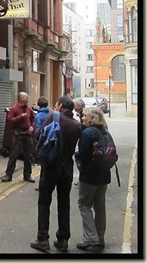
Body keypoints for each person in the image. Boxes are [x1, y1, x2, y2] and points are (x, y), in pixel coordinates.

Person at [30, 96, 82, 252]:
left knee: (44, 202)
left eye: (57, 104)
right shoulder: (77, 125)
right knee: (64, 203)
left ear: (60, 106)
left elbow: (39, 134)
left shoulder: (54, 117)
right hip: (67, 168)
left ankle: (42, 239)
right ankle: (63, 239)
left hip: (51, 166)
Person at [74, 106, 110, 251]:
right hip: (104, 174)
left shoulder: (88, 133)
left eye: (85, 116)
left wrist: (76, 155)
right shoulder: (105, 131)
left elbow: (82, 154)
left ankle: (90, 238)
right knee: (100, 206)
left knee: (84, 204)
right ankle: (100, 237)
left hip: (89, 175)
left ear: (92, 118)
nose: (82, 118)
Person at [1, 92, 36, 183]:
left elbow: (33, 119)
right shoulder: (14, 108)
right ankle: (8, 175)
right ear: (21, 98)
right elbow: (10, 120)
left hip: (27, 134)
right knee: (13, 155)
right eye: (26, 97)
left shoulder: (29, 109)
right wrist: (20, 117)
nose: (28, 99)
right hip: (18, 134)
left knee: (28, 156)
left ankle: (27, 175)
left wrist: (32, 126)